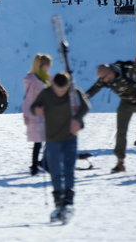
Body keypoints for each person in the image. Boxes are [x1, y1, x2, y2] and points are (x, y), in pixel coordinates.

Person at [85, 61, 136, 172]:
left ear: (110, 73)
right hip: (126, 103)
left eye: (103, 78)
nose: (102, 81)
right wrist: (83, 98)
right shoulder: (105, 79)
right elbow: (94, 88)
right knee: (121, 131)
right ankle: (120, 163)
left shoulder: (128, 72)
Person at [31, 72, 89, 220]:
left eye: (63, 90)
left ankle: (68, 202)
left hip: (70, 138)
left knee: (69, 170)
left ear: (68, 85)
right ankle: (58, 204)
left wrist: (77, 119)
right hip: (52, 139)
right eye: (58, 89)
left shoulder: (73, 93)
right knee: (55, 172)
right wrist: (37, 110)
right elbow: (33, 107)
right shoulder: (46, 94)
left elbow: (86, 106)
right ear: (53, 85)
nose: (60, 92)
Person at [22, 54, 52, 174]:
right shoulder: (33, 81)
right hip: (37, 114)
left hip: (46, 114)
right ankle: (35, 166)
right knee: (38, 142)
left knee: (47, 140)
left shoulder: (46, 78)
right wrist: (26, 114)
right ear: (43, 65)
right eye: (48, 65)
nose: (50, 67)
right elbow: (27, 99)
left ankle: (44, 163)